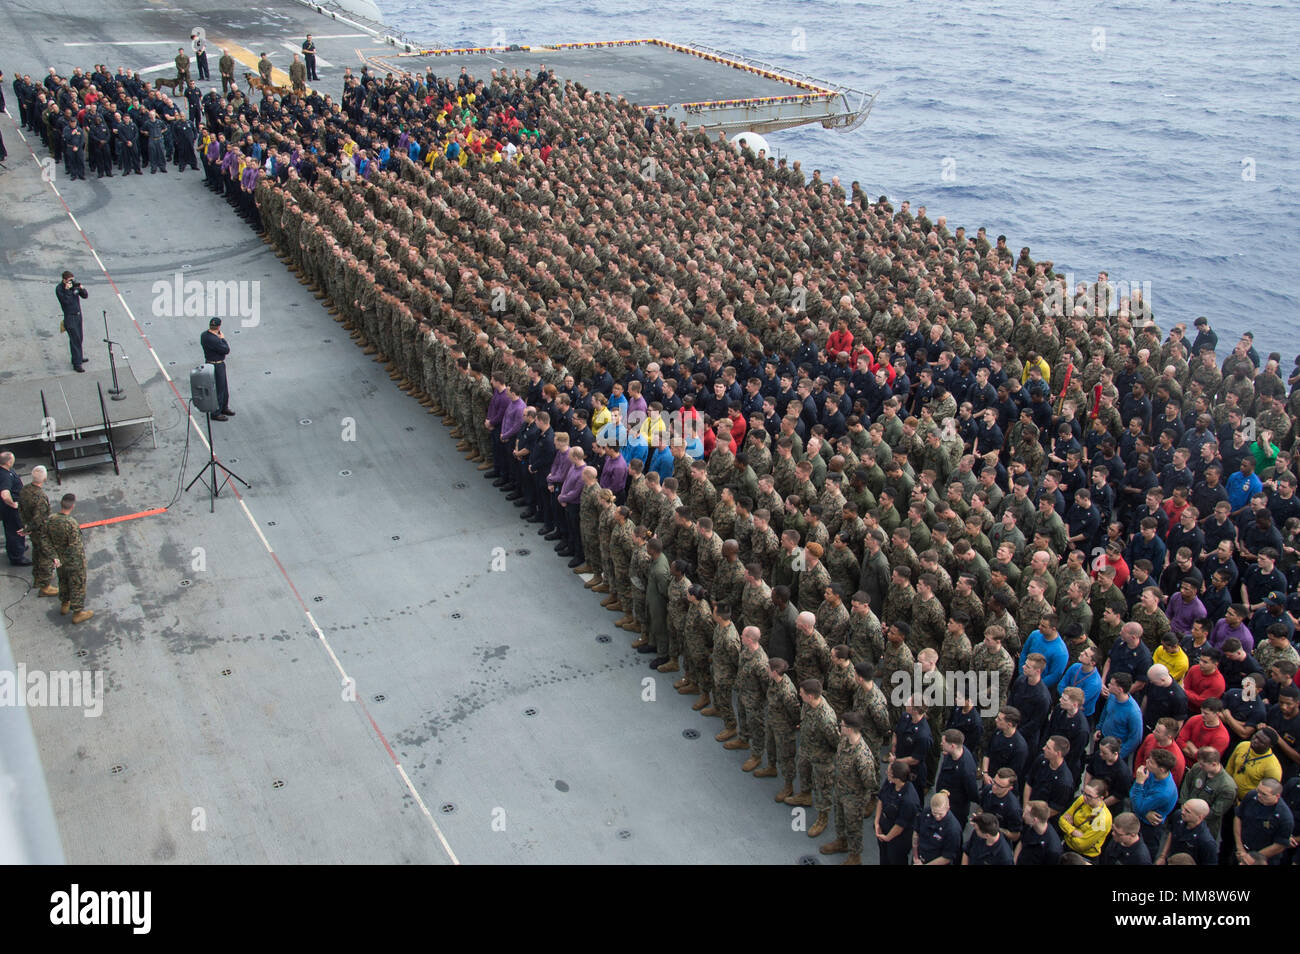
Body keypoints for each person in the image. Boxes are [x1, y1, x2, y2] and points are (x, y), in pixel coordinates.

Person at [47, 493, 92, 623]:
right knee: (77, 585)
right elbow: (75, 547)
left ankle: (64, 605)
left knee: (63, 581)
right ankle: (77, 613)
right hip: (73, 561)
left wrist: (54, 556)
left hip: (59, 559)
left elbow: (45, 538)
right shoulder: (71, 524)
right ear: (72, 506)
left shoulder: (52, 519)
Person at [17, 464, 59, 594]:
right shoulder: (40, 498)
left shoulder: (25, 489)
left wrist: (26, 527)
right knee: (46, 557)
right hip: (41, 532)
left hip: (31, 529)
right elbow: (39, 519)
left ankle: (37, 577)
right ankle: (45, 586)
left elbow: (21, 508)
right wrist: (28, 528)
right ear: (45, 479)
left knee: (36, 553)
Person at [201, 317, 234, 420]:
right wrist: (222, 338)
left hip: (211, 363)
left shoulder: (204, 335)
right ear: (219, 326)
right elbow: (226, 350)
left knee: (223, 387)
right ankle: (216, 413)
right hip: (217, 365)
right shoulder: (215, 339)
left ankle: (224, 407)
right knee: (219, 388)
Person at [1, 451, 30, 566]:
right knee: (16, 530)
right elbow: (4, 494)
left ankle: (18, 548)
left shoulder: (7, 471)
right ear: (8, 462)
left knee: (13, 530)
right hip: (11, 510)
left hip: (9, 508)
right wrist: (13, 504)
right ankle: (17, 556)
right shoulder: (5, 476)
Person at [56, 270, 88, 372]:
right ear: (64, 280)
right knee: (75, 340)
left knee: (80, 338)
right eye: (69, 280)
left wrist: (81, 288)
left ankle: (78, 357)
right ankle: (77, 364)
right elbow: (66, 302)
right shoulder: (60, 289)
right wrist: (67, 291)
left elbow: (85, 296)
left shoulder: (74, 286)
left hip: (78, 315)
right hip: (70, 317)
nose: (71, 282)